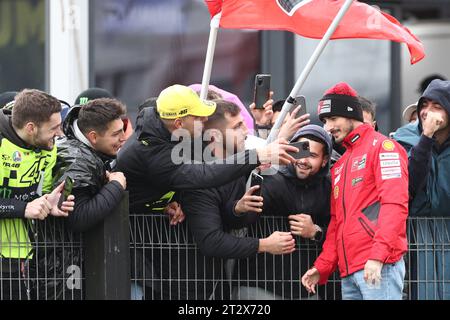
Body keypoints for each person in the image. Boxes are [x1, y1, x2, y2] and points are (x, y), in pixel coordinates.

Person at [116, 84, 297, 299]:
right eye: (199, 118)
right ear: (178, 123)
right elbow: (202, 176)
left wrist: (235, 210)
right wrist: (257, 155)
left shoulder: (162, 125)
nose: (204, 122)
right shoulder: (153, 152)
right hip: (144, 254)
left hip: (184, 267)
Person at [301, 82, 409, 300]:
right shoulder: (341, 164)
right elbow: (337, 222)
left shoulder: (383, 147)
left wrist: (378, 257)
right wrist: (322, 266)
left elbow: (394, 205)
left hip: (379, 265)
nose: (328, 127)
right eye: (324, 121)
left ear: (352, 115)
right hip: (349, 271)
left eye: (333, 119)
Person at [181, 99, 297, 299]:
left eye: (244, 123)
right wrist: (264, 244)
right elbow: (211, 241)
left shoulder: (240, 163)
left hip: (221, 282)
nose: (246, 131)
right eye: (237, 127)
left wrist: (237, 209)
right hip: (188, 286)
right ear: (215, 136)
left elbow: (226, 217)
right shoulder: (198, 177)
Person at [234, 124, 335, 300]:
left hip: (307, 288)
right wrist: (240, 208)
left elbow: (341, 234)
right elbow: (241, 222)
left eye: (312, 155)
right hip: (260, 284)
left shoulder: (331, 188)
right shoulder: (270, 179)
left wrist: (316, 232)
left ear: (325, 160)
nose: (303, 160)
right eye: (300, 152)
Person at [0, 89, 75, 300]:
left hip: (20, 256)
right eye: (54, 128)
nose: (60, 134)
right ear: (31, 128)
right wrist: (24, 208)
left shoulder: (47, 146)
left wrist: (48, 202)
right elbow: (24, 206)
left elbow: (37, 194)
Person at [393, 79, 450, 300]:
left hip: (447, 225)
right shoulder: (405, 136)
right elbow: (410, 182)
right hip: (418, 230)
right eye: (424, 105)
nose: (428, 112)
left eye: (437, 106)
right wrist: (426, 137)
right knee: (424, 290)